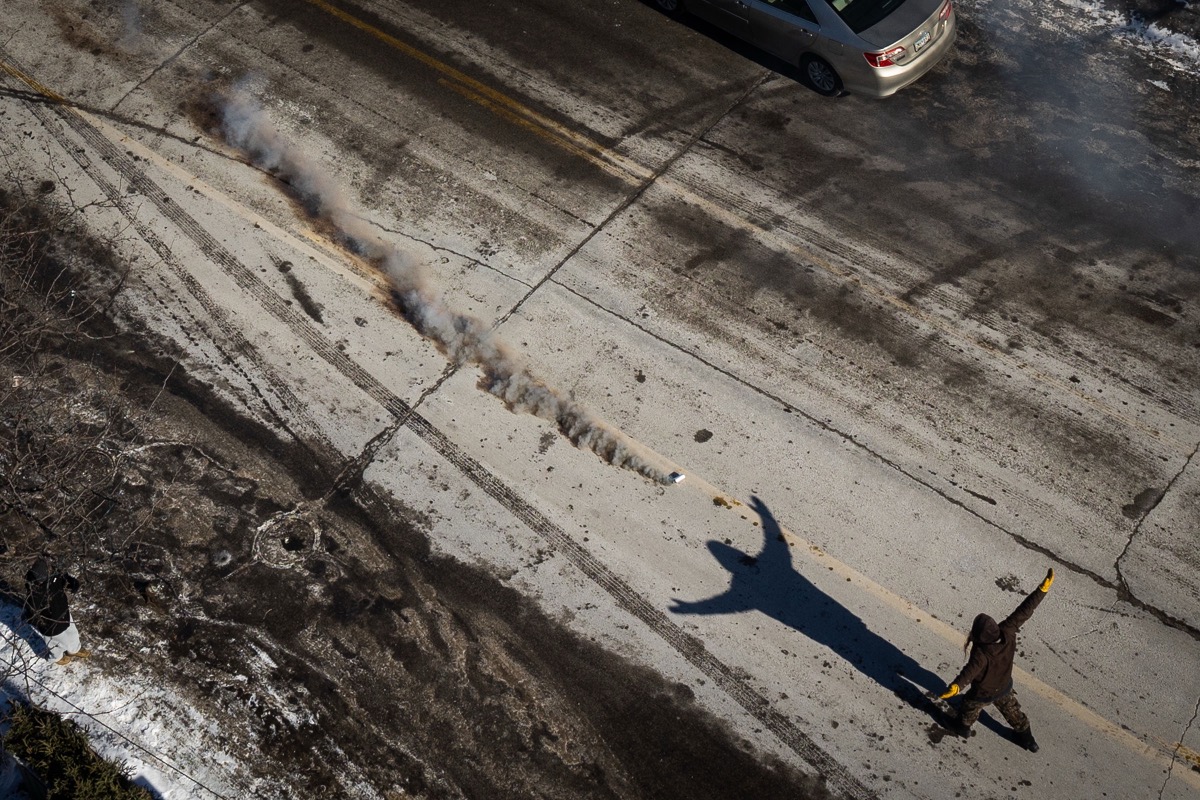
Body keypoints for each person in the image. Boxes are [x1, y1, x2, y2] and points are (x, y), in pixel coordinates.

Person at [935, 568, 1054, 752]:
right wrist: (1042, 589)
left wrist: (956, 686)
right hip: (1005, 686)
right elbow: (1025, 609)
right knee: (1014, 713)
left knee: (969, 706)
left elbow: (970, 672)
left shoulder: (981, 653)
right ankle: (1028, 740)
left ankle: (963, 728)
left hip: (983, 693)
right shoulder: (1007, 630)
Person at [23, 557, 90, 665]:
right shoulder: (34, 590)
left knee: (72, 633)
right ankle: (56, 657)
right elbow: (32, 611)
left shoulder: (53, 572)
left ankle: (74, 650)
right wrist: (37, 622)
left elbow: (62, 576)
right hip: (49, 622)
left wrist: (71, 581)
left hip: (62, 609)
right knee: (54, 643)